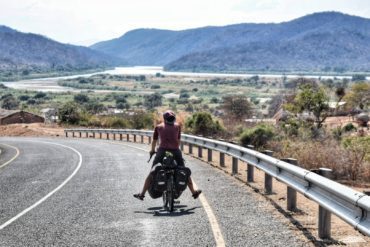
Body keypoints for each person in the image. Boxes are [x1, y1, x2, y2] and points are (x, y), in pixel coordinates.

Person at [134, 110, 202, 201]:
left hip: (161, 151)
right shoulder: (178, 126)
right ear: (173, 118)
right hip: (176, 151)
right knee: (183, 170)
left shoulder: (158, 127)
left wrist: (152, 151)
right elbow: (178, 140)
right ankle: (194, 192)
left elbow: (154, 141)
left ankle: (142, 194)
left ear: (164, 118)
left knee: (152, 172)